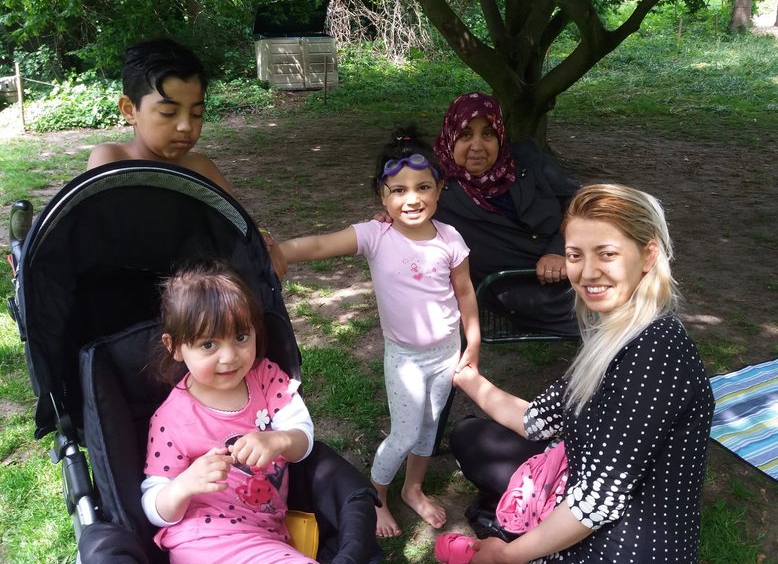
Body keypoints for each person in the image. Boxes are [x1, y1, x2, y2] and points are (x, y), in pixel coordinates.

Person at [445, 184, 715, 563]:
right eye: (575, 255)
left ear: (648, 255)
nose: (587, 273)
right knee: (470, 436)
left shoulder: (655, 353)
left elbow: (598, 501)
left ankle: (518, 530)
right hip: (579, 488)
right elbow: (536, 420)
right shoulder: (615, 333)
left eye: (607, 254)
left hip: (620, 546)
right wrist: (467, 376)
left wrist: (504, 556)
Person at [277, 129, 480, 538]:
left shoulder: (450, 239)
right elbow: (319, 245)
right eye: (399, 190)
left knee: (429, 427)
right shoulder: (376, 235)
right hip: (405, 357)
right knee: (405, 432)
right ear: (381, 195)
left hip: (446, 351)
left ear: (440, 188)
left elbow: (465, 292)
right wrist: (277, 251)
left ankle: (413, 488)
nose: (412, 199)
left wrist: (472, 342)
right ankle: (377, 497)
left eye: (423, 187)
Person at [140, 258, 316, 563]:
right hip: (203, 538)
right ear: (175, 346)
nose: (230, 357)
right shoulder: (171, 419)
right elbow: (153, 504)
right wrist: (183, 485)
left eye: (241, 337)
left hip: (264, 534)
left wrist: (279, 440)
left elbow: (303, 437)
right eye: (209, 345)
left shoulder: (265, 378)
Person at [86, 37, 287, 277]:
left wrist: (262, 239)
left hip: (196, 292)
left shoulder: (201, 168)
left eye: (196, 114)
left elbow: (241, 224)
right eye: (168, 112)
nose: (185, 126)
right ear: (129, 110)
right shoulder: (111, 160)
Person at [433, 91, 579, 337]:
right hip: (523, 291)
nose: (477, 146)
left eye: (488, 133)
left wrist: (560, 249)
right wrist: (386, 220)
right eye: (465, 134)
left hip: (580, 262)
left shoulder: (526, 158)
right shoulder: (437, 190)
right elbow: (406, 209)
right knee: (619, 323)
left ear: (500, 135)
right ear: (451, 136)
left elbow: (579, 202)